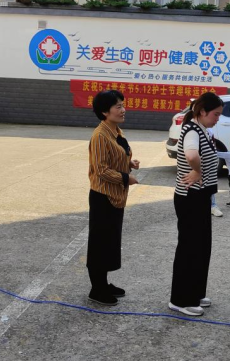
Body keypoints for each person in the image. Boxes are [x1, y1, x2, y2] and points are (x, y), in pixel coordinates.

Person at [169, 93, 223, 316]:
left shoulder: (203, 129)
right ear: (202, 112)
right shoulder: (192, 130)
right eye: (215, 114)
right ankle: (180, 300)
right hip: (190, 197)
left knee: (201, 247)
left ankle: (196, 292)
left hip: (200, 196)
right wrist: (197, 171)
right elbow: (191, 155)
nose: (218, 119)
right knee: (189, 248)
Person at [87, 90, 139, 306]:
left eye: (123, 105)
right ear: (104, 112)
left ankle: (104, 283)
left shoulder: (116, 131)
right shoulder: (100, 135)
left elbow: (116, 157)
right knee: (99, 243)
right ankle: (96, 289)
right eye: (118, 106)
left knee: (109, 242)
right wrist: (126, 178)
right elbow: (101, 170)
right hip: (103, 196)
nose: (123, 109)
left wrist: (129, 163)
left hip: (116, 195)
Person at [206, 127, 223, 217]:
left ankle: (212, 205)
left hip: (209, 162)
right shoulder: (194, 129)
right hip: (201, 162)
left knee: (210, 183)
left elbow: (213, 143)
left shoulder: (209, 130)